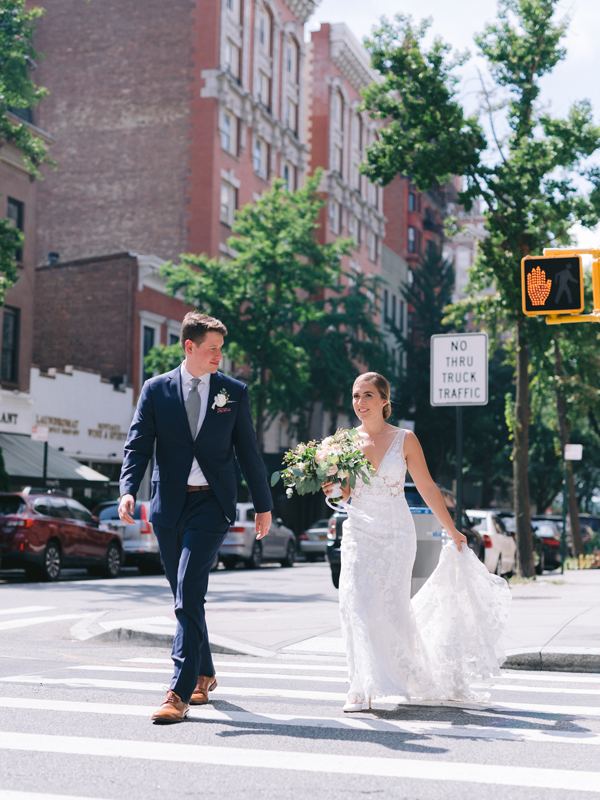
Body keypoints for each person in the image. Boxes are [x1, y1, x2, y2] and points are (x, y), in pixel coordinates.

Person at [322, 372, 511, 712]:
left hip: (396, 534)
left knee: (390, 606)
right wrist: (333, 488)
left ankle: (398, 674)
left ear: (384, 400)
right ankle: (359, 685)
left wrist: (451, 529)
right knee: (355, 603)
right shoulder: (344, 442)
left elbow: (426, 486)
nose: (360, 402)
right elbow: (346, 492)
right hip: (358, 531)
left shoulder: (405, 439)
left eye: (367, 395)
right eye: (355, 396)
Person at [119, 311, 273, 724]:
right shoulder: (155, 390)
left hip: (212, 505)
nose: (219, 356)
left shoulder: (233, 392)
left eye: (221, 349)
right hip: (168, 507)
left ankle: (178, 691)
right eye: (212, 349)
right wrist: (128, 491)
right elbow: (138, 447)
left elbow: (248, 452)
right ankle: (206, 671)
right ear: (189, 347)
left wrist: (263, 505)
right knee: (185, 596)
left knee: (188, 588)